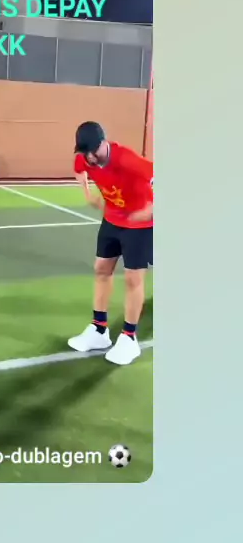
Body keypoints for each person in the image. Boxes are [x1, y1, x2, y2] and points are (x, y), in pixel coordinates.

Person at [68, 121, 153, 366]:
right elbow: (79, 169)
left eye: (92, 151)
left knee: (133, 279)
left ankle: (128, 337)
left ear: (103, 143)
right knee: (101, 270)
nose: (89, 158)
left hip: (139, 225)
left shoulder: (127, 159)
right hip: (112, 220)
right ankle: (99, 330)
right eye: (85, 152)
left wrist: (151, 210)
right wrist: (88, 195)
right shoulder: (85, 158)